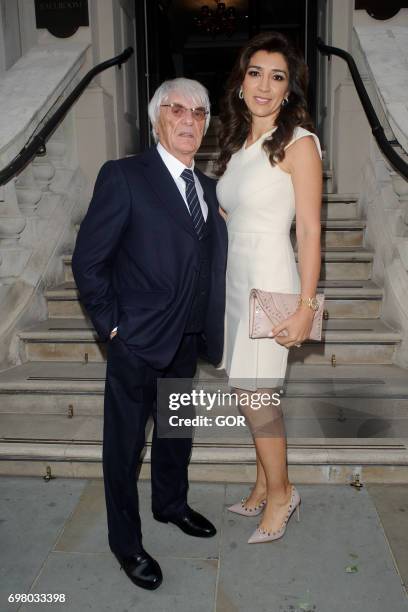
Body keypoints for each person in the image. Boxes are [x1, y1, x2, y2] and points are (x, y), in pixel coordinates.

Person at [72, 78, 227, 589]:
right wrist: (112, 326)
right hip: (136, 341)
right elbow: (89, 261)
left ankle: (171, 504)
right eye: (177, 109)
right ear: (156, 118)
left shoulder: (205, 188)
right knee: (123, 447)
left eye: (200, 112)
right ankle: (126, 542)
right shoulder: (124, 176)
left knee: (175, 431)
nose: (190, 120)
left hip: (186, 341)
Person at [215, 31, 322, 544]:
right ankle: (262, 483)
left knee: (258, 395)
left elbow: (308, 230)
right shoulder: (239, 144)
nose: (264, 84)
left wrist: (305, 306)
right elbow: (238, 207)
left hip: (270, 280)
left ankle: (282, 494)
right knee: (247, 392)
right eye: (255, 72)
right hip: (237, 279)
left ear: (288, 90)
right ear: (240, 83)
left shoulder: (299, 142)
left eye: (277, 76)